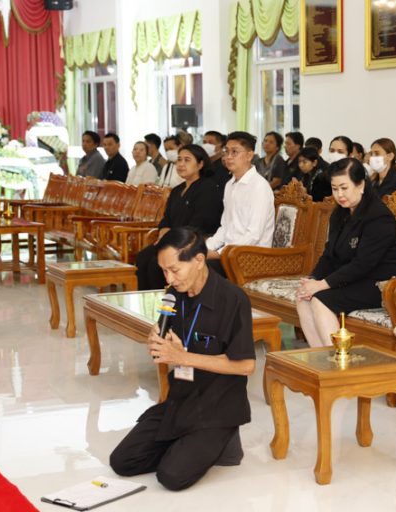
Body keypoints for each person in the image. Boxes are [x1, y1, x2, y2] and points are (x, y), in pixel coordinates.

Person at [110, 227, 256, 491]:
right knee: (122, 461)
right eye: (164, 270)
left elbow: (246, 365)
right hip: (181, 400)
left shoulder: (232, 299)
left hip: (217, 407)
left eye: (175, 270)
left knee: (172, 477)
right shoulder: (174, 296)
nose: (169, 278)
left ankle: (221, 441)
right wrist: (156, 341)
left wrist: (184, 357)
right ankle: (188, 444)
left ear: (199, 261)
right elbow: (167, 348)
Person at [296, 158, 396, 347]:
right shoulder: (340, 213)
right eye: (334, 188)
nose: (339, 195)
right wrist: (314, 279)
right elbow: (329, 254)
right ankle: (322, 359)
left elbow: (363, 264)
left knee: (321, 301)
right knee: (303, 297)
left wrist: (323, 285)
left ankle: (338, 361)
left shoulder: (378, 216)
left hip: (381, 284)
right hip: (354, 279)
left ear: (361, 185)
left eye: (344, 188)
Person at [135, 145, 224, 290]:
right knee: (142, 257)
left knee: (155, 264)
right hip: (172, 239)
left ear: (200, 164)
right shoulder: (177, 190)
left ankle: (166, 305)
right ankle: (147, 303)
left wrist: (171, 237)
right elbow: (166, 218)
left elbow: (200, 223)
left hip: (191, 241)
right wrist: (163, 230)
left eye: (187, 160)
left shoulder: (208, 188)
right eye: (179, 160)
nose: (181, 164)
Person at [205, 131, 275, 277]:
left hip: (252, 256)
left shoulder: (259, 187)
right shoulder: (230, 185)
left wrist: (219, 253)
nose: (229, 157)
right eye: (226, 152)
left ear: (249, 155)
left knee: (199, 268)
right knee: (188, 259)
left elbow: (254, 235)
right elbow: (225, 226)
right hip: (230, 252)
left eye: (235, 152)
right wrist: (204, 248)